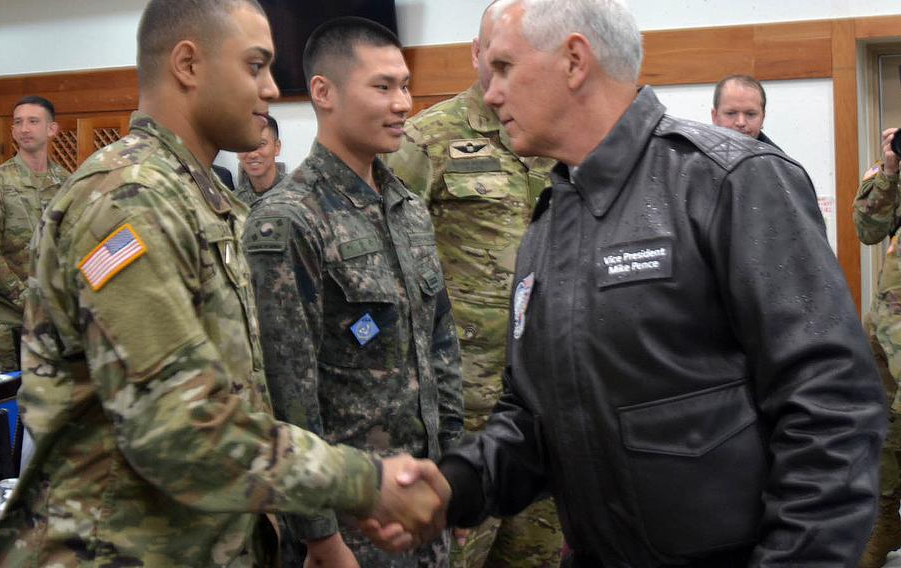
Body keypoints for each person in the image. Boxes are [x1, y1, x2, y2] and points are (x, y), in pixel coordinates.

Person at [369, 0, 886, 566]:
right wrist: (454, 486)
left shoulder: (726, 181)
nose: (490, 94)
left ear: (573, 61)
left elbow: (832, 404)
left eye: (505, 68)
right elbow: (536, 416)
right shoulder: (552, 219)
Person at [0, 1, 450, 565]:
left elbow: (241, 398)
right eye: (255, 66)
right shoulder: (128, 200)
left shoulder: (207, 201)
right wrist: (363, 482)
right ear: (188, 64)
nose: (271, 90)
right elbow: (178, 429)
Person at [244, 17, 464, 568]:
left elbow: (441, 349)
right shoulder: (290, 221)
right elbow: (288, 394)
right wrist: (321, 538)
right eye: (383, 87)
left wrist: (455, 483)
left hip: (423, 502)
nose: (403, 104)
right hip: (350, 526)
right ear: (324, 92)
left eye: (405, 85)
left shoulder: (409, 209)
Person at [384, 3, 562, 566]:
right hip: (464, 414)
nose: (504, 74)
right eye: (496, 57)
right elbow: (388, 274)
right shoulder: (425, 140)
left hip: (542, 410)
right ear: (475, 54)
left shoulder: (553, 140)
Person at [0, 95, 69, 370]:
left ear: (51, 129)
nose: (24, 129)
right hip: (7, 321)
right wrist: (24, 297)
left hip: (55, 319)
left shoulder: (67, 183)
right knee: (8, 402)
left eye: (33, 122)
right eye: (18, 122)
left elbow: (73, 244)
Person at [853, 129, 901, 568]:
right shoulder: (895, 167)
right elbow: (867, 229)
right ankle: (885, 522)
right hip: (889, 328)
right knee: (885, 428)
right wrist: (888, 172)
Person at [711, 74, 781, 149]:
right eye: (730, 113)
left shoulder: (776, 160)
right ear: (715, 117)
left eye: (750, 114)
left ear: (763, 118)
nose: (741, 123)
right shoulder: (697, 155)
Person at [234, 113, 285, 205]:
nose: (253, 154)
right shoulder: (233, 203)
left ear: (277, 147)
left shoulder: (299, 194)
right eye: (245, 145)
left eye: (261, 144)